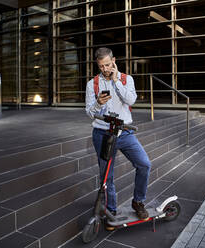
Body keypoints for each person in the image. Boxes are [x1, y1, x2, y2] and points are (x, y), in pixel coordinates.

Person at [85, 47, 152, 222]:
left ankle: (138, 202)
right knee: (107, 176)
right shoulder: (92, 84)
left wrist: (116, 82)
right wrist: (98, 103)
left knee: (144, 164)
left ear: (114, 61)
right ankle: (111, 210)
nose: (105, 69)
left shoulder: (126, 79)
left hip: (124, 133)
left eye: (107, 65)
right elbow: (89, 112)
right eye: (101, 66)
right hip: (102, 134)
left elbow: (131, 100)